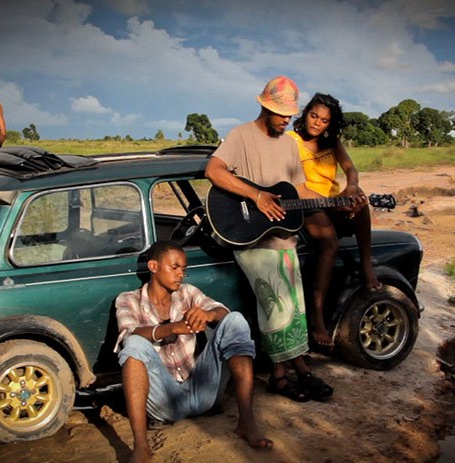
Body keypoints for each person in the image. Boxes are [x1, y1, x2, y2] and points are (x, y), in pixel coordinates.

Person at [205, 76, 333, 404]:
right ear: (264, 105)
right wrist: (257, 195)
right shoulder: (240, 135)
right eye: (281, 113)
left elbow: (299, 190)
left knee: (296, 308)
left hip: (282, 238)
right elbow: (214, 171)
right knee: (279, 306)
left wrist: (338, 198)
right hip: (250, 239)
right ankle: (294, 373)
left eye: (290, 114)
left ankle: (285, 375)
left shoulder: (290, 143)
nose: (287, 120)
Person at [115, 240, 272, 463]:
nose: (181, 274)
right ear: (153, 266)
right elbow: (128, 334)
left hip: (202, 391)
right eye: (174, 267)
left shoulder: (188, 292)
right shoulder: (128, 300)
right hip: (164, 402)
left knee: (234, 320)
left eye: (184, 269)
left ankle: (247, 422)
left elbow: (221, 311)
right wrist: (172, 328)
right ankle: (141, 447)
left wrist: (209, 315)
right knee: (133, 344)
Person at [288, 93, 382, 348]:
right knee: (329, 242)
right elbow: (294, 187)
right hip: (307, 204)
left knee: (361, 205)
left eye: (324, 120)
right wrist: (332, 203)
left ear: (331, 124)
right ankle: (317, 316)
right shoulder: (290, 141)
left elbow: (351, 169)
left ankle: (366, 265)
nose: (317, 123)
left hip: (334, 200)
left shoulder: (332, 142)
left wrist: (351, 189)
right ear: (305, 113)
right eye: (314, 115)